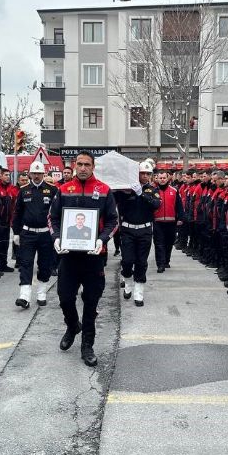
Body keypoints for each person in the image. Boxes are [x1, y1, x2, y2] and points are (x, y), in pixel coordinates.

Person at [49, 151, 119, 366]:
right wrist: (56, 238)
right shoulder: (63, 190)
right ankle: (72, 325)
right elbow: (53, 218)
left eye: (87, 164)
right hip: (69, 256)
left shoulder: (104, 191)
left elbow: (114, 220)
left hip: (94, 256)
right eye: (79, 164)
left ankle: (87, 345)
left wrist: (102, 240)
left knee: (91, 302)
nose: (82, 168)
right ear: (74, 165)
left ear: (93, 166)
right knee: (65, 297)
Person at [12, 161, 56, 309]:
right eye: (34, 173)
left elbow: (57, 214)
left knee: (45, 264)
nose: (36, 176)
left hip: (45, 234)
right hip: (27, 233)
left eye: (39, 173)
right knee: (26, 263)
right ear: (29, 174)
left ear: (44, 174)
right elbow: (17, 213)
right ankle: (24, 295)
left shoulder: (52, 190)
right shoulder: (23, 191)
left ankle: (41, 293)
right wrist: (16, 233)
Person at [116, 161, 161, 306]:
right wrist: (125, 190)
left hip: (145, 230)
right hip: (128, 230)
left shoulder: (152, 190)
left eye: (148, 174)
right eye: (143, 173)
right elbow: (113, 197)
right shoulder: (126, 189)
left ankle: (139, 292)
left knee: (141, 262)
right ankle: (128, 283)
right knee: (127, 261)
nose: (146, 176)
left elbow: (156, 205)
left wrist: (142, 194)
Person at [152, 170, 183, 273]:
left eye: (164, 178)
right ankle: (160, 264)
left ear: (167, 178)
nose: (162, 180)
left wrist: (180, 218)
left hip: (171, 222)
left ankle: (166, 261)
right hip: (158, 222)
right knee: (159, 244)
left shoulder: (174, 190)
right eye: (160, 178)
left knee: (169, 243)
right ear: (157, 178)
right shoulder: (154, 191)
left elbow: (179, 205)